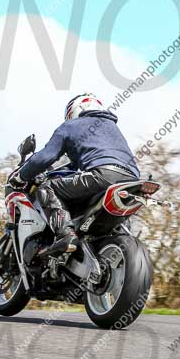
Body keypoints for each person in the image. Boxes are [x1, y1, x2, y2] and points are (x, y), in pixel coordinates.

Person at [8, 93, 140, 256]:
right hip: (132, 179)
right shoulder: (112, 127)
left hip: (103, 175)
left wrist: (21, 175)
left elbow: (45, 157)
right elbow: (75, 166)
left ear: (74, 111)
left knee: (47, 188)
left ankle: (65, 235)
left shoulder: (71, 126)